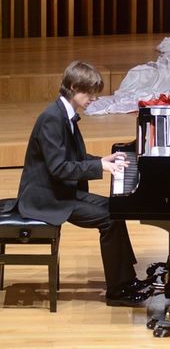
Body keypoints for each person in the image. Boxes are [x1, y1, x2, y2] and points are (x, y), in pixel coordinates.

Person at [1, 61, 152, 306]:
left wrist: (102, 160)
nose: (94, 97)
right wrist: (99, 167)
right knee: (109, 219)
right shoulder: (52, 118)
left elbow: (74, 158)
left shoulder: (64, 115)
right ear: (73, 87)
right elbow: (60, 168)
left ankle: (127, 279)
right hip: (46, 199)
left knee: (116, 209)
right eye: (89, 92)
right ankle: (117, 291)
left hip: (61, 192)